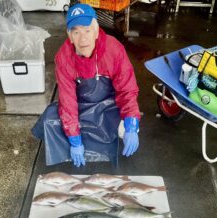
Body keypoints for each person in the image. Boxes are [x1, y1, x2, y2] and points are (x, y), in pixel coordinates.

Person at [32, 3, 141, 167]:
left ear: (96, 31)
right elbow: (68, 100)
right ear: (70, 36)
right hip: (80, 105)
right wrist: (75, 141)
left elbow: (127, 90)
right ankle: (78, 144)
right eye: (76, 32)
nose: (83, 38)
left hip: (108, 105)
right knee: (50, 120)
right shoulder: (63, 58)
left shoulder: (114, 49)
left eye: (87, 30)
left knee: (127, 127)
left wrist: (131, 123)